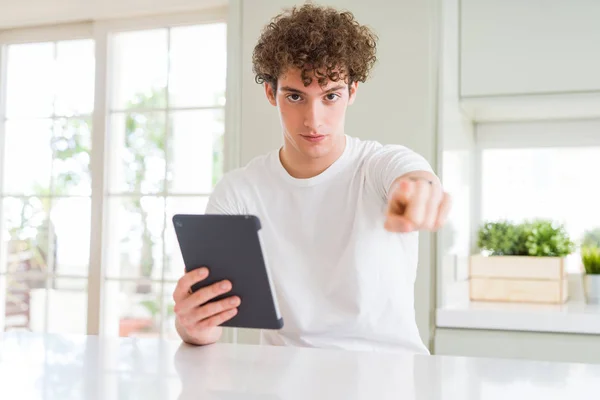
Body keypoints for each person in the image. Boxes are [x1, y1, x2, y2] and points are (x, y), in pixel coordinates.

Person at [172, 3, 451, 354]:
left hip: (389, 373)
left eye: (330, 96)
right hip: (285, 380)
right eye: (295, 97)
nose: (313, 120)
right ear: (271, 94)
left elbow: (413, 176)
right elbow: (207, 319)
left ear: (352, 92)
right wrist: (191, 325)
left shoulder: (379, 165)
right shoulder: (239, 192)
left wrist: (421, 191)